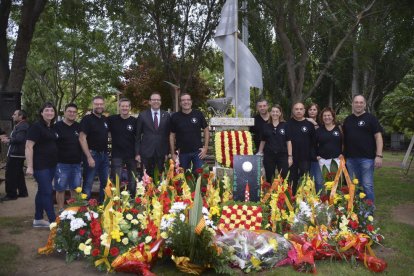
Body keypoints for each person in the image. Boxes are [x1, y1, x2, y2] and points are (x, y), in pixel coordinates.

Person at [343, 95, 383, 203]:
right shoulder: (347, 120)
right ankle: (355, 212)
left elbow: (378, 137)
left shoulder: (371, 118)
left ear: (365, 104)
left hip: (367, 159)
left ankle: (369, 213)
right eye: (356, 102)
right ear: (352, 104)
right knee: (353, 186)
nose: (358, 104)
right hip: (350, 159)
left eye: (361, 102)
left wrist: (379, 156)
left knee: (367, 185)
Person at [26, 102, 58, 228]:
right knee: (47, 192)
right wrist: (29, 166)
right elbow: (29, 146)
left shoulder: (51, 127)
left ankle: (38, 219)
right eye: (47, 110)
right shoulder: (36, 127)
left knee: (42, 191)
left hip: (51, 165)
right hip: (40, 166)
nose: (49, 112)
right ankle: (53, 222)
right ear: (41, 113)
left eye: (51, 110)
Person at [79, 96, 109, 203]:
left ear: (103, 105)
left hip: (104, 156)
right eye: (97, 104)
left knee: (105, 182)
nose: (99, 106)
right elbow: (82, 138)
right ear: (93, 105)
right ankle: (83, 209)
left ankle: (102, 205)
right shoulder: (87, 119)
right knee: (88, 182)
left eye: (101, 104)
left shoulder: (105, 119)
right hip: (92, 154)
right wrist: (89, 157)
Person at [170, 93, 209, 173]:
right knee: (181, 180)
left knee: (200, 178)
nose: (186, 102)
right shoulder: (175, 117)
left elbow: (206, 130)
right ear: (180, 103)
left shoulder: (198, 114)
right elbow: (172, 135)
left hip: (198, 153)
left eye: (188, 100)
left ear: (191, 102)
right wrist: (173, 153)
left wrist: (205, 148)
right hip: (182, 154)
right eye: (183, 100)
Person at [54, 103, 82, 212]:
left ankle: (73, 211)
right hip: (61, 163)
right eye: (69, 111)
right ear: (65, 112)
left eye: (74, 112)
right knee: (60, 188)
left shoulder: (79, 127)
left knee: (75, 188)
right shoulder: (56, 126)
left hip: (76, 163)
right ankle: (61, 210)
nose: (72, 114)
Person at [135, 93, 170, 180]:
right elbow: (137, 136)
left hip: (161, 152)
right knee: (146, 179)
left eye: (158, 100)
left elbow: (167, 135)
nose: (156, 101)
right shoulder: (142, 115)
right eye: (154, 100)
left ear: (160, 102)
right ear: (150, 102)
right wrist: (137, 153)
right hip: (146, 152)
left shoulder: (166, 115)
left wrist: (167, 152)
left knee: (159, 178)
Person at [108, 98, 138, 195]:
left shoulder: (135, 121)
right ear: (119, 107)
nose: (124, 108)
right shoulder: (112, 119)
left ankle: (133, 200)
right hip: (117, 155)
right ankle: (116, 201)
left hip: (131, 155)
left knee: (132, 180)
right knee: (116, 180)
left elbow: (138, 138)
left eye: (126, 106)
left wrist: (138, 153)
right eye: (122, 106)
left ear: (130, 108)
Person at [257, 105, 292, 182]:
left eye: (277, 112)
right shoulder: (266, 126)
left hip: (282, 155)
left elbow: (288, 141)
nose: (275, 113)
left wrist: (290, 157)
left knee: (284, 177)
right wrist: (259, 153)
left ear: (280, 113)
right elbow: (263, 141)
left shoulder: (285, 125)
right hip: (269, 155)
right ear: (270, 113)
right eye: (273, 111)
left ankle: (282, 194)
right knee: (269, 177)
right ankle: (270, 193)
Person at [286, 102, 316, 194]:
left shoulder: (309, 125)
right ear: (293, 111)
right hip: (292, 158)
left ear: (304, 111)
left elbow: (313, 142)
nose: (298, 111)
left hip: (305, 158)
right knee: (291, 180)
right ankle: (291, 201)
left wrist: (313, 156)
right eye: (296, 109)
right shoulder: (288, 124)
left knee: (305, 181)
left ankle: (304, 203)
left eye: (300, 109)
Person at [1, 110, 29, 200]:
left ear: (21, 116)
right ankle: (23, 192)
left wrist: (8, 140)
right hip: (17, 154)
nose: (12, 116)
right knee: (18, 174)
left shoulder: (23, 126)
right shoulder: (21, 125)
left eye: (14, 114)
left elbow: (20, 139)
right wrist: (8, 138)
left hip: (16, 155)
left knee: (10, 174)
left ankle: (11, 195)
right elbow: (17, 138)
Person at [315, 107, 343, 193]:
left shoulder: (339, 129)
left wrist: (343, 153)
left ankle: (336, 203)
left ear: (333, 116)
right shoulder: (319, 130)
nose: (327, 117)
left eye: (329, 115)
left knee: (337, 183)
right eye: (325, 116)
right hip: (322, 161)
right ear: (322, 118)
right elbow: (314, 144)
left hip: (336, 160)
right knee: (321, 183)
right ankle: (322, 203)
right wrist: (316, 155)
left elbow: (345, 142)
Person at [306, 103, 323, 192]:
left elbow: (321, 135)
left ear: (317, 111)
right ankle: (308, 202)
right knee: (308, 181)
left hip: (317, 155)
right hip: (305, 155)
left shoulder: (321, 123)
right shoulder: (304, 122)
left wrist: (314, 123)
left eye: (314, 110)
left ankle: (319, 201)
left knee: (319, 181)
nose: (312, 111)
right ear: (307, 111)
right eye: (310, 110)